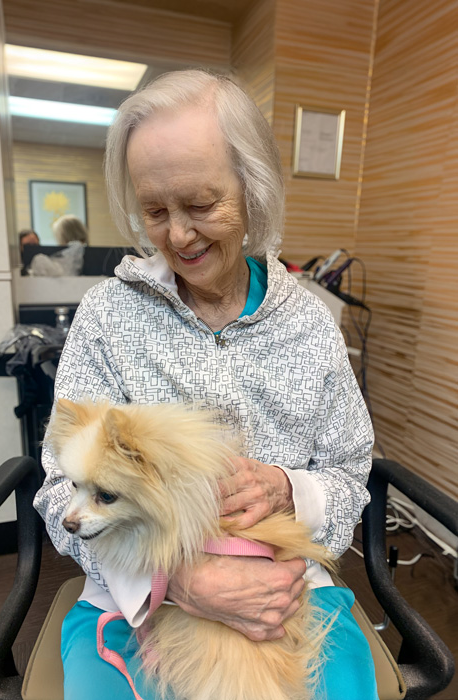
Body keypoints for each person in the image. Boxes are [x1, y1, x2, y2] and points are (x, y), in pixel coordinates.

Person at [35, 70, 378, 700]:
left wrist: (285, 487)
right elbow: (62, 492)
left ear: (254, 191)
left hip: (287, 584)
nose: (180, 235)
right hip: (132, 588)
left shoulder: (310, 324)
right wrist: (178, 581)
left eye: (201, 205)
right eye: (155, 211)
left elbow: (350, 473)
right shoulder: (108, 317)